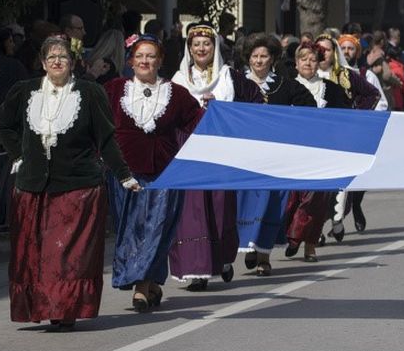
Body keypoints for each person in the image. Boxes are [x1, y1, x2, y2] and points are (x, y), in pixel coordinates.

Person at [0, 35, 138, 330]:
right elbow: (3, 125)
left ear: (72, 63)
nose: (57, 62)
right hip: (33, 188)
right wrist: (19, 154)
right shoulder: (25, 91)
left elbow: (106, 139)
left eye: (62, 57)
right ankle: (41, 306)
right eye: (51, 58)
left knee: (65, 255)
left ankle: (64, 309)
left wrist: (123, 174)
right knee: (35, 254)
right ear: (43, 63)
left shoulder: (89, 92)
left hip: (78, 188)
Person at [105, 34, 201, 312]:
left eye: (151, 56)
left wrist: (214, 109)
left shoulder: (177, 94)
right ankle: (150, 283)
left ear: (160, 61)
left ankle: (140, 287)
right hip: (124, 172)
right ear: (131, 61)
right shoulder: (113, 89)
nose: (145, 61)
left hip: (165, 172)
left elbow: (197, 123)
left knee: (156, 228)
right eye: (140, 56)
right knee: (131, 229)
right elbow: (96, 122)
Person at [169, 22, 265, 291]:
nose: (201, 48)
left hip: (221, 150)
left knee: (221, 208)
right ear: (189, 48)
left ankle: (222, 259)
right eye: (196, 44)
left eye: (207, 43)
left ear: (215, 47)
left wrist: (223, 109)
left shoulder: (229, 77)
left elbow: (255, 103)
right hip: (187, 151)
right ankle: (195, 271)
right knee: (191, 211)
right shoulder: (177, 79)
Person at [235, 33, 316, 276]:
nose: (258, 61)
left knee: (271, 204)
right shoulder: (235, 83)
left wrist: (289, 127)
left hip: (274, 158)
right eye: (254, 56)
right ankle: (249, 244)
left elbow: (309, 109)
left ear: (272, 59)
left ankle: (263, 256)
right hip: (244, 157)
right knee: (245, 203)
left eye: (264, 56)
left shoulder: (285, 85)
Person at [281, 41, 357, 263]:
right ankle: (292, 234)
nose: (308, 63)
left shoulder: (331, 89)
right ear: (295, 63)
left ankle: (309, 246)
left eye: (313, 59)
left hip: (322, 151)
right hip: (292, 152)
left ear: (319, 63)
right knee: (293, 199)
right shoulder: (285, 87)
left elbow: (344, 118)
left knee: (316, 200)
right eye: (303, 58)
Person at [337, 32, 387, 232]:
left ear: (357, 51)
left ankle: (356, 204)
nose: (347, 52)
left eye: (351, 48)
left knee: (359, 176)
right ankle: (335, 218)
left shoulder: (367, 75)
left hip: (361, 134)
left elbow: (381, 103)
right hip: (338, 136)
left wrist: (366, 120)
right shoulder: (331, 74)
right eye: (343, 48)